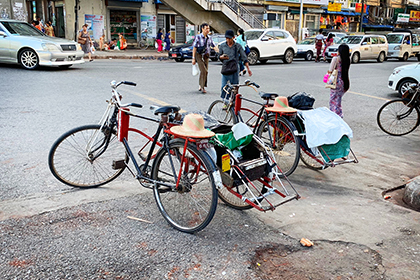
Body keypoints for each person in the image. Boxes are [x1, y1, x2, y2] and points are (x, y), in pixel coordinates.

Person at [219, 30, 252, 99]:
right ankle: (225, 101)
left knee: (235, 87)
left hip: (235, 68)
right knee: (224, 86)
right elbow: (218, 56)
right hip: (225, 67)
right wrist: (222, 57)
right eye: (226, 38)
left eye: (229, 38)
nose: (228, 40)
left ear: (233, 37)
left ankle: (234, 102)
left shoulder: (237, 46)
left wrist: (248, 69)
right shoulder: (222, 46)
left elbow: (244, 57)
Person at [192, 23, 216, 94]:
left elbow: (213, 46)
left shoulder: (209, 38)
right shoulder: (198, 37)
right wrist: (193, 58)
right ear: (202, 29)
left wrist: (220, 52)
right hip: (199, 55)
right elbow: (194, 47)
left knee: (204, 71)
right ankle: (203, 87)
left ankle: (200, 85)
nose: (208, 30)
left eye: (208, 29)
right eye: (206, 28)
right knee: (204, 71)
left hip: (206, 55)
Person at [327, 44, 350, 118]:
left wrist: (327, 77)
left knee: (332, 100)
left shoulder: (335, 59)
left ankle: (334, 115)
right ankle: (339, 115)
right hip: (343, 81)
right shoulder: (347, 59)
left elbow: (330, 70)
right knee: (338, 100)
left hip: (335, 81)